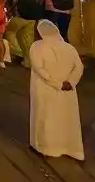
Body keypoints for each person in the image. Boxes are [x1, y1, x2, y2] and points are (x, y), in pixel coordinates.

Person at [27, 19, 84, 161]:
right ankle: (71, 149)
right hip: (68, 91)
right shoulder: (69, 48)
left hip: (45, 90)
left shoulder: (37, 47)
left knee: (45, 118)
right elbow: (79, 67)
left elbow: (40, 70)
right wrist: (70, 82)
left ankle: (45, 148)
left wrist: (57, 84)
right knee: (67, 118)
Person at [5, 0, 43, 65]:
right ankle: (28, 61)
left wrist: (8, 15)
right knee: (26, 40)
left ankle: (18, 52)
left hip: (19, 18)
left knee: (9, 32)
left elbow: (9, 6)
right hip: (31, 19)